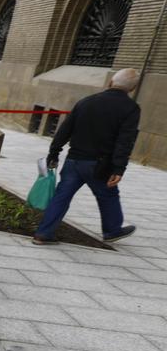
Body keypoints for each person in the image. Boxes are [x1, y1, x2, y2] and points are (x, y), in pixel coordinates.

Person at [34, 68, 141, 245]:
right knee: (108, 195)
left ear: (110, 82)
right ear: (132, 89)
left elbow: (65, 129)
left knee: (61, 196)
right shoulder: (130, 108)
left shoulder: (86, 102)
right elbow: (125, 141)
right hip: (99, 164)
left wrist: (54, 152)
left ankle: (43, 234)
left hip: (73, 160)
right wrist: (119, 168)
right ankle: (112, 230)